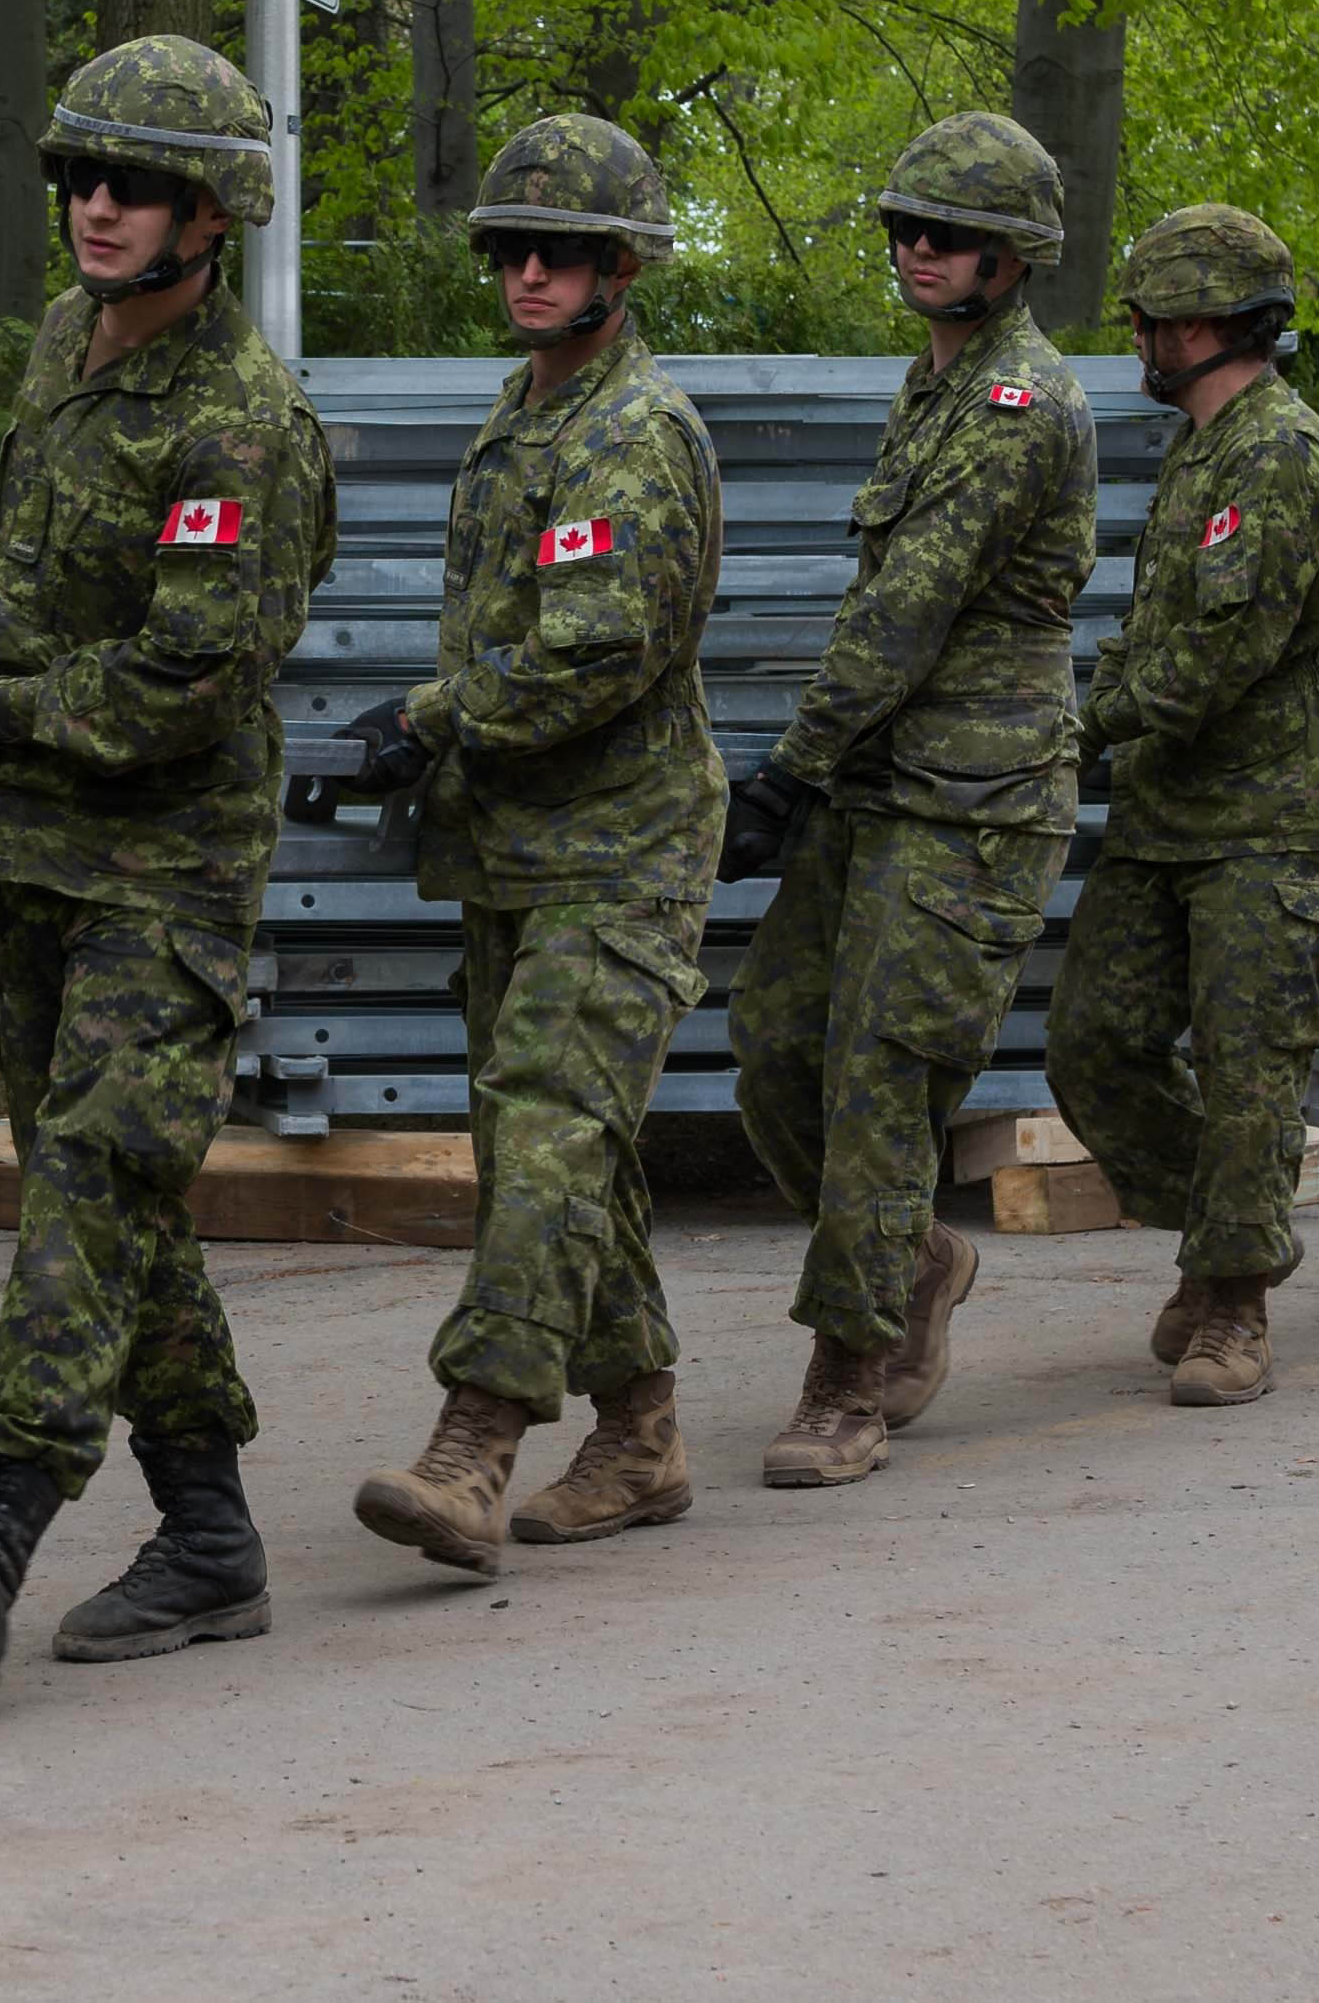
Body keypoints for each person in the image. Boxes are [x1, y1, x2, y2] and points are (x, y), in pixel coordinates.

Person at [0, 35, 339, 1707]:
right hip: (37, 871)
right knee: (119, 1212)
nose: (98, 206)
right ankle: (207, 1533)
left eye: (136, 184)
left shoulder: (241, 424)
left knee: (86, 1189)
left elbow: (186, 686)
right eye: (79, 177)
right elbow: (22, 592)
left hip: (163, 878)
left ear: (215, 214)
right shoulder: (65, 349)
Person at [320, 114, 726, 1576]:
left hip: (621, 850)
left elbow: (588, 657)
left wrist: (427, 717)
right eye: (509, 247)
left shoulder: (634, 433)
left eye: (559, 251)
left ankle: (473, 1443)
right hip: (516, 848)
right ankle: (641, 1431)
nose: (527, 271)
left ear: (623, 267)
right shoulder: (524, 412)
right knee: (552, 1146)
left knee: (550, 1124)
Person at [719, 113, 1099, 1487]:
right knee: (770, 1044)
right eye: (902, 229)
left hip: (972, 798)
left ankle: (846, 1378)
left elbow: (905, 608)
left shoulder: (1017, 402)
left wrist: (784, 767)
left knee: (882, 1076)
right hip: (878, 784)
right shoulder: (928, 386)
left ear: (1012, 256)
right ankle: (917, 1258)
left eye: (944, 235)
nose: (915, 251)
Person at [1047, 205, 1319, 1407]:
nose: (1134, 332)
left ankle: (1233, 1301)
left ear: (1205, 321)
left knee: (1250, 1066)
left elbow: (1222, 650)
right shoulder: (1199, 447)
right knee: (1092, 1042)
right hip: (1171, 806)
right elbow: (1157, 639)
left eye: (1148, 314)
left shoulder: (1280, 451)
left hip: (1276, 813)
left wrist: (1078, 726)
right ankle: (1220, 1233)